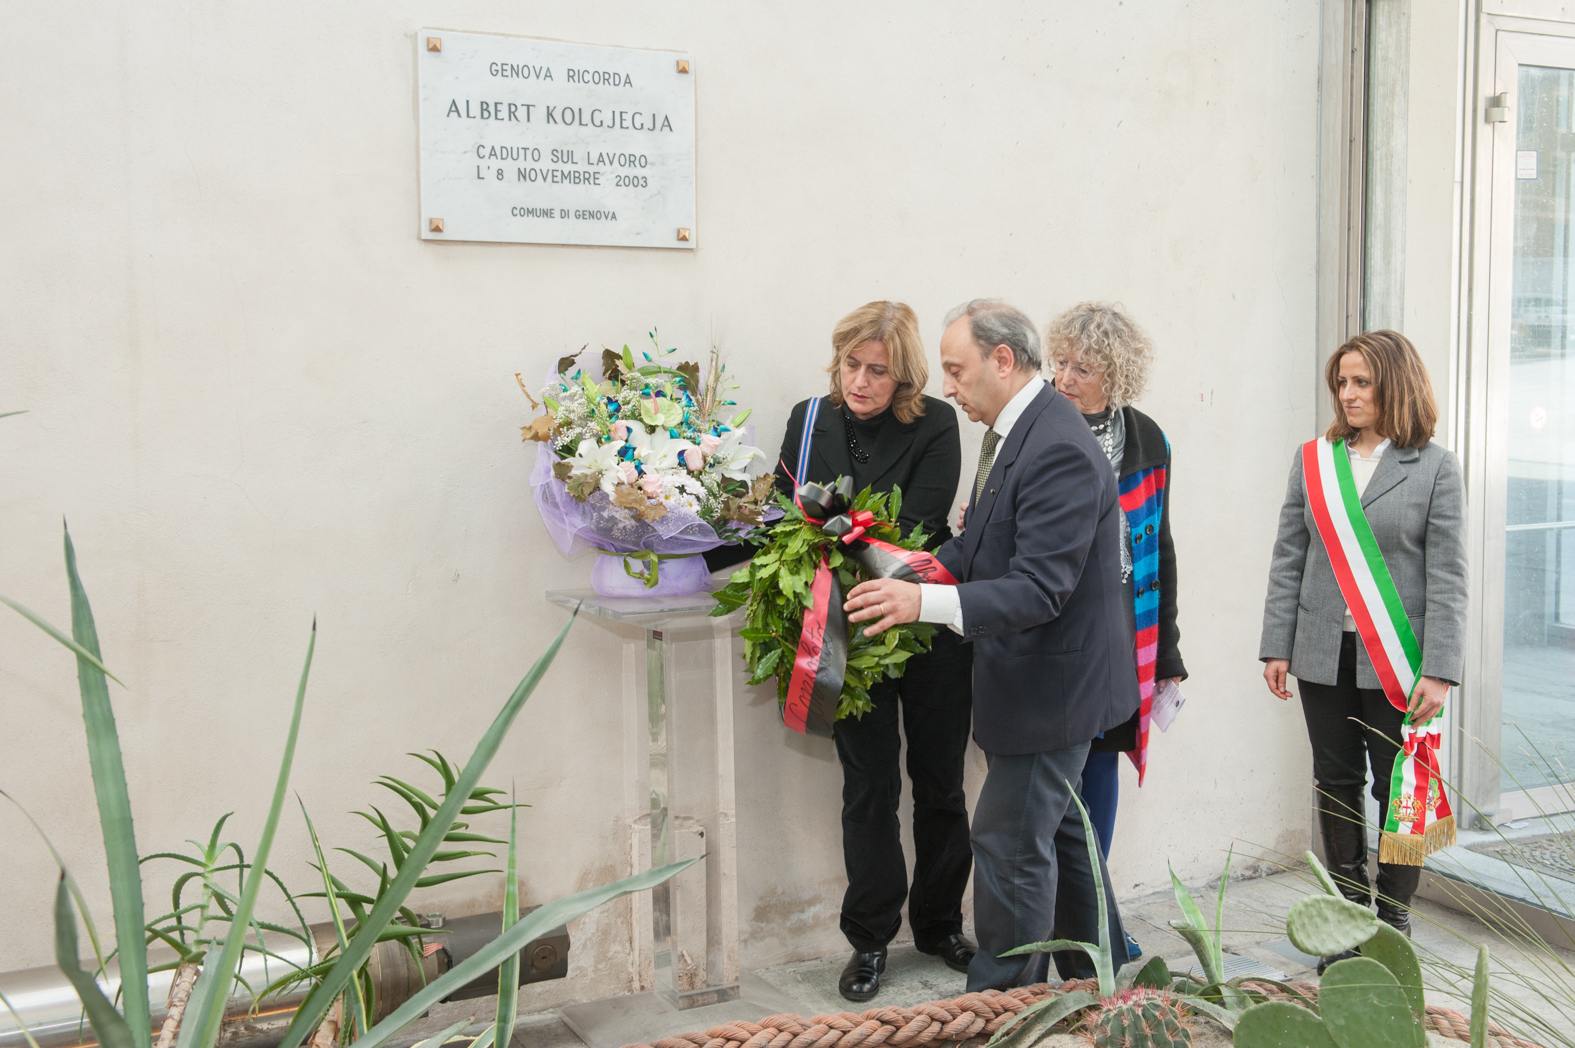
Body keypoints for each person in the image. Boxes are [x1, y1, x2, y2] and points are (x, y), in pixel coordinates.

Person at [846, 298, 1138, 992]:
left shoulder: (1056, 446)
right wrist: (912, 565)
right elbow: (981, 542)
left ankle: (999, 1011)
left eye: (956, 370)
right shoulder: (1021, 429)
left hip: (1052, 689)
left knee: (1007, 847)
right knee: (1062, 835)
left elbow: (1039, 589)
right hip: (1041, 682)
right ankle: (1106, 981)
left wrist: (923, 601)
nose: (947, 386)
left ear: (1002, 361)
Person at [710, 300, 975, 1002]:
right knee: (868, 790)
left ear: (904, 377)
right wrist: (705, 537)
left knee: (940, 783)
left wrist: (827, 531)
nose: (858, 382)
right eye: (850, 366)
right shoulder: (808, 418)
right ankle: (868, 941)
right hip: (844, 637)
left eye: (876, 371)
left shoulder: (937, 424)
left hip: (921, 625)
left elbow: (914, 528)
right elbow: (782, 506)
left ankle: (941, 924)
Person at [1259, 329, 1467, 960]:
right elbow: (1289, 556)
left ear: (1394, 385)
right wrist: (1276, 645)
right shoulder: (1315, 460)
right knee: (1335, 780)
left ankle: (1393, 921)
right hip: (1323, 651)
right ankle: (1346, 921)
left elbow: (1449, 575)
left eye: (1360, 383)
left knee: (1397, 786)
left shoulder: (1433, 467)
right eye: (1341, 383)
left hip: (1400, 661)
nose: (1347, 395)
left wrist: (1442, 669)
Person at [1044, 303, 1186, 959]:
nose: (1066, 377)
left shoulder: (1147, 438)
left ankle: (1092, 917)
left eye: (1084, 367)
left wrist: (1169, 651)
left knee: (1100, 764)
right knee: (1051, 779)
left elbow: (1160, 540)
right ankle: (1052, 922)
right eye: (1061, 361)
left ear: (1117, 375)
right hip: (1050, 627)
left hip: (1124, 630)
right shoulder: (1034, 424)